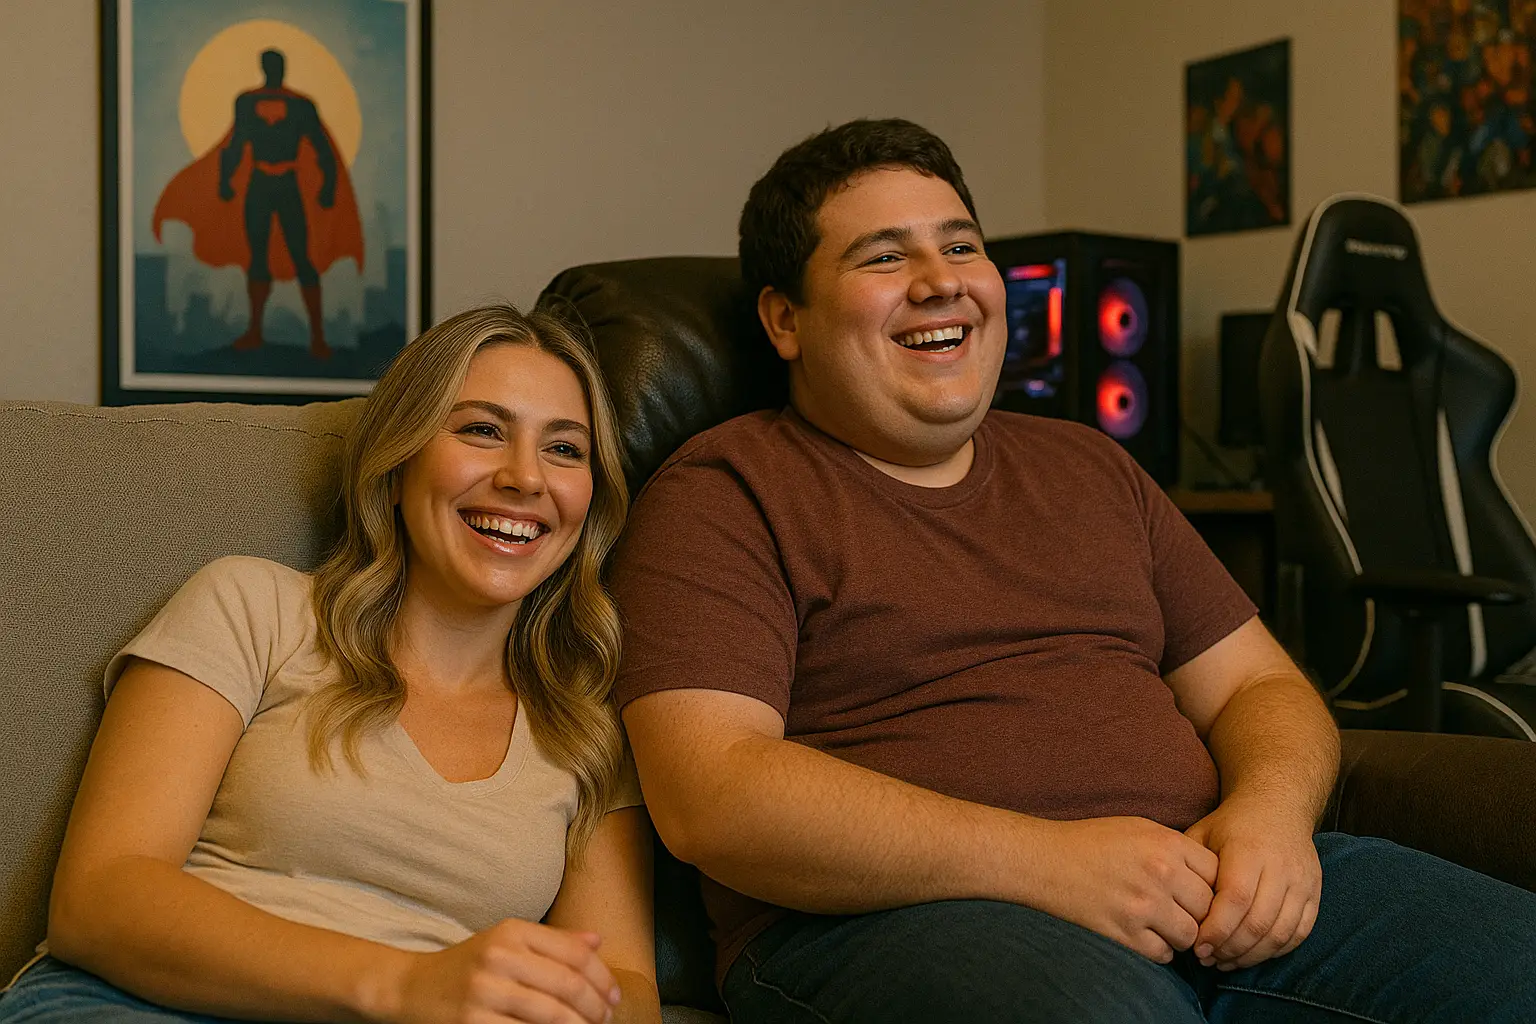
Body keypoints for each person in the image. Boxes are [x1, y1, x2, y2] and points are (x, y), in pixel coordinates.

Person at [611, 118, 1536, 1022]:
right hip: (908, 922)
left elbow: (1259, 682)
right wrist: (1050, 865)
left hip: (1214, 884)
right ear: (785, 319)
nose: (942, 283)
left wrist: (1270, 815)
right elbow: (713, 793)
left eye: (962, 247)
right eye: (885, 258)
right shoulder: (723, 491)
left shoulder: (1092, 467)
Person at [0, 305, 660, 1024]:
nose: (526, 478)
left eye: (565, 449)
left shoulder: (585, 730)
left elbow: (623, 984)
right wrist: (409, 985)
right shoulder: (254, 608)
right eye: (481, 430)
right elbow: (98, 897)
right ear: (400, 458)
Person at [153, 48, 366, 359]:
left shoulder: (301, 106)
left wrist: (328, 187)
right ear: (264, 68)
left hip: (288, 186)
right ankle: (255, 330)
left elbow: (321, 148)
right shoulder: (247, 103)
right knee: (257, 257)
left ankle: (317, 336)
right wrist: (225, 180)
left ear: (282, 68)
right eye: (269, 65)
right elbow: (237, 144)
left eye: (276, 65)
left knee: (301, 255)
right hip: (259, 185)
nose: (273, 69)